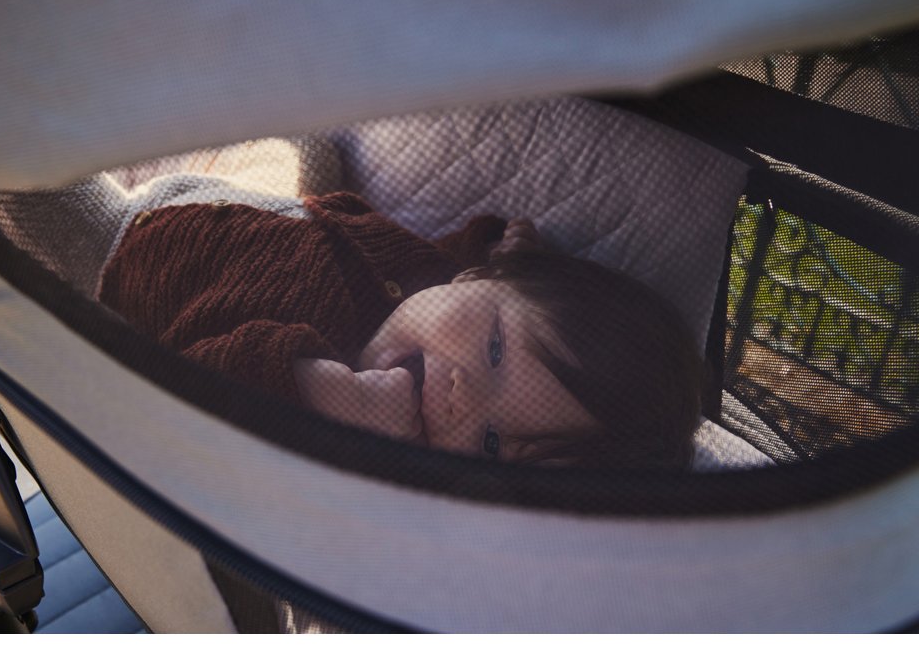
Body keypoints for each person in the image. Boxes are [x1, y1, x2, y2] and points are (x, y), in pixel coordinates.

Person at [98, 190, 701, 469]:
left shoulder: (355, 441)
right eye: (495, 349)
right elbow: (449, 259)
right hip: (263, 207)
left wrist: (315, 393)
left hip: (135, 255)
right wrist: (501, 249)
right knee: (308, 148)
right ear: (478, 278)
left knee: (64, 209)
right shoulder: (438, 276)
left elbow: (184, 392)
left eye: (491, 442)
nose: (464, 396)